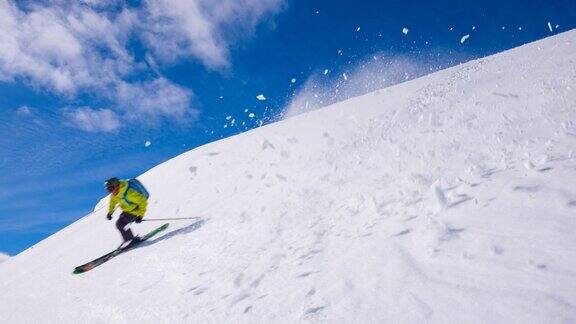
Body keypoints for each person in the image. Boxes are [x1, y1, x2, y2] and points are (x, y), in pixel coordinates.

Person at [104, 177, 149, 246]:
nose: (111, 191)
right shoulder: (115, 195)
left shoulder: (129, 193)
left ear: (116, 186)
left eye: (111, 189)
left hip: (135, 211)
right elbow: (112, 203)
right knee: (120, 224)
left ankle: (130, 239)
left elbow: (143, 201)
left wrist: (140, 216)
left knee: (120, 224)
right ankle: (130, 239)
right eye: (108, 190)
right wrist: (110, 213)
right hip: (127, 211)